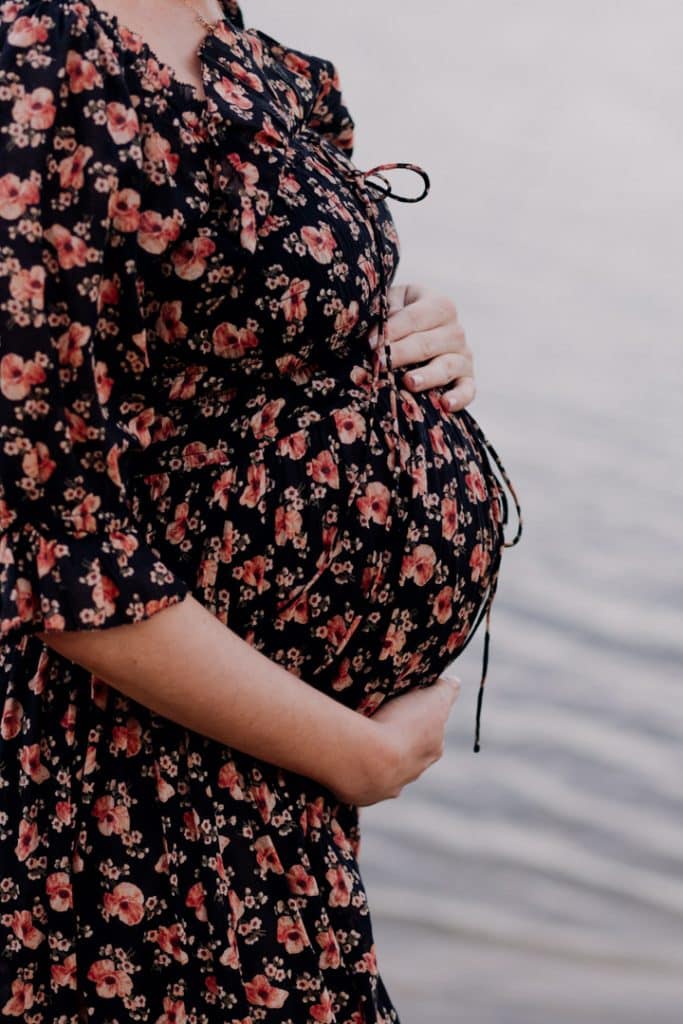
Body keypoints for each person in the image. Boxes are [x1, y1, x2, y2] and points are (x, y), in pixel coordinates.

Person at [0, 0, 522, 1020]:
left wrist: (407, 334)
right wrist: (356, 756)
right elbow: (52, 546)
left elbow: (250, 331)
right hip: (124, 788)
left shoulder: (227, 33)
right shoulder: (38, 59)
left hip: (259, 784)